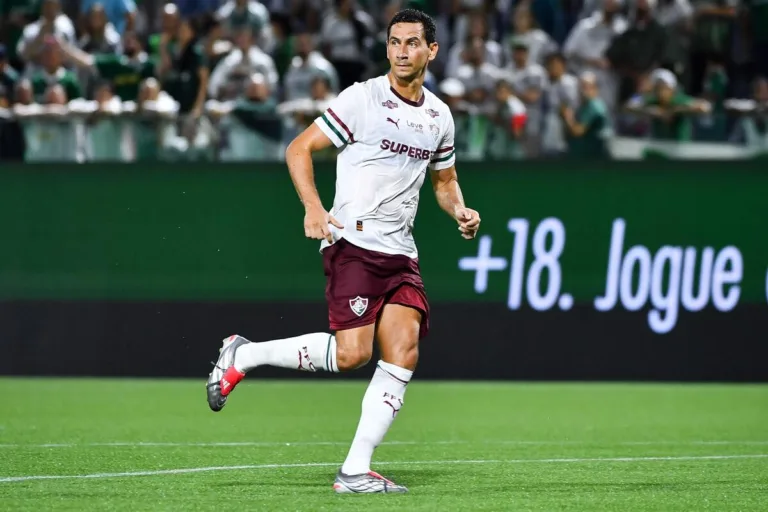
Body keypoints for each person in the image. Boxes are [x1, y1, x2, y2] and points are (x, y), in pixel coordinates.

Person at [206, 8, 480, 494]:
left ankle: (355, 470)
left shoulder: (439, 115)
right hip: (353, 242)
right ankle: (245, 354)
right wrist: (313, 207)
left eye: (412, 43)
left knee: (404, 351)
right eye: (394, 42)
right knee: (353, 355)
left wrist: (459, 209)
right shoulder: (363, 98)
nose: (401, 51)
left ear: (432, 50)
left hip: (401, 252)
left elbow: (445, 181)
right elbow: (298, 148)